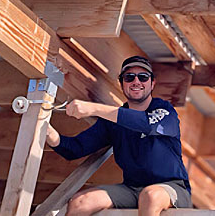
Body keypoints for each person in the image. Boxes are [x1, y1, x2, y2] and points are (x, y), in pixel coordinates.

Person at [46, 56, 191, 216]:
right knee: (81, 202)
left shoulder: (165, 110)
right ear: (122, 83)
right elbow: (74, 149)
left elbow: (146, 124)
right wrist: (44, 127)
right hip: (131, 189)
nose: (136, 81)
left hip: (171, 188)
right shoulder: (113, 122)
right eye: (129, 77)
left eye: (143, 77)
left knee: (150, 196)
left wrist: (94, 109)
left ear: (152, 83)